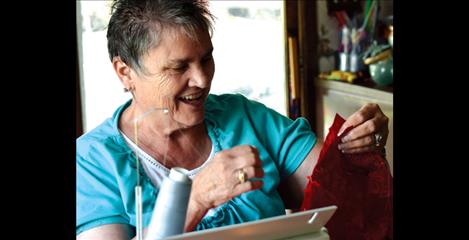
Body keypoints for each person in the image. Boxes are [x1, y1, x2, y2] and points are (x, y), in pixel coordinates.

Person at [76, 0, 390, 239]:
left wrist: (360, 145)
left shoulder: (245, 117)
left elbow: (342, 188)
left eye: (206, 58)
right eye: (178, 67)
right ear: (124, 72)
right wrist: (196, 199)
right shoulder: (93, 161)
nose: (201, 79)